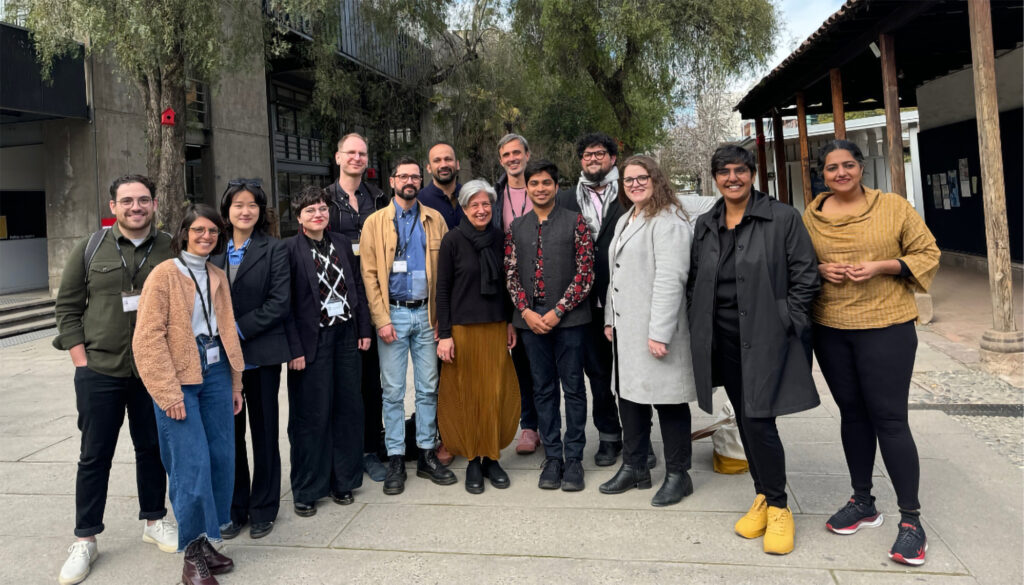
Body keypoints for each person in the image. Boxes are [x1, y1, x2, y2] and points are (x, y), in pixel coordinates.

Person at [803, 139, 940, 566]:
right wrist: (820, 268)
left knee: (890, 419)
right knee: (853, 414)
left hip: (887, 327)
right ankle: (863, 501)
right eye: (831, 168)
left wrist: (882, 266)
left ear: (861, 168)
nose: (840, 173)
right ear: (821, 174)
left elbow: (927, 252)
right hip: (831, 327)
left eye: (847, 165)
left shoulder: (893, 207)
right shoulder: (811, 216)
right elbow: (796, 261)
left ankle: (912, 522)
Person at [688, 145, 821, 555]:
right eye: (724, 172)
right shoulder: (706, 223)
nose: (733, 178)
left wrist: (788, 320)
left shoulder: (781, 217)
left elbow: (806, 276)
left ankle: (779, 505)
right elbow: (695, 277)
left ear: (752, 173)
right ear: (715, 178)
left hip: (766, 336)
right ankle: (762, 495)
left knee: (760, 421)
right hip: (723, 338)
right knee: (745, 420)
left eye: (740, 171)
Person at [53, 174, 177, 585]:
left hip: (152, 370)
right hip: (100, 370)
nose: (135, 207)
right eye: (127, 201)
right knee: (94, 455)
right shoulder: (91, 248)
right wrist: (80, 361)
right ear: (113, 206)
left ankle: (154, 519)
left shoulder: (169, 247)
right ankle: (85, 538)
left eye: (143, 200)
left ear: (154, 205)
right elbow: (68, 306)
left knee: (152, 449)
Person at [133, 204, 245, 585]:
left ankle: (207, 540)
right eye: (198, 230)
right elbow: (147, 339)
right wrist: (167, 392)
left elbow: (227, 329)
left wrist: (234, 384)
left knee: (221, 458)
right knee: (190, 465)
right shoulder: (164, 275)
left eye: (213, 231)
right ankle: (191, 555)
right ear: (184, 233)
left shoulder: (216, 274)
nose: (206, 236)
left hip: (215, 370)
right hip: (179, 374)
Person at [600, 155, 696, 507]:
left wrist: (660, 332)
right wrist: (610, 317)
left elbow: (672, 278)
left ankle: (678, 475)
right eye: (628, 180)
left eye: (641, 178)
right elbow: (617, 273)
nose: (635, 184)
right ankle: (635, 466)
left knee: (668, 401)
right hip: (626, 329)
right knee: (630, 399)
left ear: (656, 179)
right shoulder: (628, 218)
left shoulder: (668, 220)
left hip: (657, 330)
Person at [360, 157, 456, 495]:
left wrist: (443, 318)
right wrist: (381, 319)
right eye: (404, 176)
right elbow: (369, 275)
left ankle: (427, 451)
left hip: (428, 315)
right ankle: (397, 457)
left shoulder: (435, 220)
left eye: (415, 176)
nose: (410, 181)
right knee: (393, 391)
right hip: (394, 316)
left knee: (429, 387)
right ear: (392, 180)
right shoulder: (374, 223)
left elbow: (445, 274)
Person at [505, 159, 595, 491]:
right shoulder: (517, 227)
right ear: (526, 188)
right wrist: (526, 312)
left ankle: (574, 459)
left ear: (557, 187)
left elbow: (585, 273)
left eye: (546, 183)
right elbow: (511, 273)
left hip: (569, 321)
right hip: (531, 324)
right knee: (542, 389)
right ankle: (553, 457)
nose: (540, 188)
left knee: (572, 388)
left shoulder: (575, 222)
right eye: (534, 183)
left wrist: (559, 310)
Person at [283, 186, 372, 517]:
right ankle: (307, 488)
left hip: (346, 336)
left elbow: (357, 286)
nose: (318, 214)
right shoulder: (289, 250)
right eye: (310, 210)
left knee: (347, 409)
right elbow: (286, 305)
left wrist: (363, 329)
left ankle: (342, 480)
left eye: (321, 208)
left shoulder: (341, 243)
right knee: (311, 415)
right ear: (299, 217)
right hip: (311, 342)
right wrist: (294, 348)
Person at [211, 179, 290, 539]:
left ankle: (264, 507)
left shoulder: (274, 249)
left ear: (261, 212)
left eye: (252, 205)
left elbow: (278, 303)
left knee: (263, 433)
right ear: (227, 210)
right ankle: (235, 506)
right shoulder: (212, 249)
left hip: (259, 356)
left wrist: (235, 330)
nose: (245, 211)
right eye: (238, 205)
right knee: (230, 437)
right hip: (219, 362)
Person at [435, 179, 521, 494]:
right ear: (465, 207)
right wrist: (444, 334)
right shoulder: (453, 241)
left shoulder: (501, 239)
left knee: (494, 392)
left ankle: (492, 458)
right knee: (467, 395)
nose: (482, 210)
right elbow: (442, 290)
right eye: (475, 205)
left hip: (495, 326)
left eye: (486, 204)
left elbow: (508, 285)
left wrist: (510, 321)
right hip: (462, 330)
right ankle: (473, 458)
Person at [557, 132, 627, 467]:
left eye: (599, 153)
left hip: (627, 300)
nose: (593, 159)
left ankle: (640, 436)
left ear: (613, 157)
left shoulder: (630, 191)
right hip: (585, 304)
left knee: (631, 374)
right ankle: (610, 437)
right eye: (586, 155)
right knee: (598, 375)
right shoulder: (566, 200)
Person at [327, 132, 391, 482]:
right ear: (338, 157)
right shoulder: (325, 200)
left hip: (375, 298)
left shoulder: (379, 198)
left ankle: (371, 448)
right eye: (350, 152)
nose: (356, 158)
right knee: (342, 383)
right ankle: (343, 449)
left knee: (372, 382)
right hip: (336, 302)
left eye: (362, 153)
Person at [493, 133, 540, 455]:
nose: (512, 158)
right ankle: (529, 426)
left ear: (527, 154)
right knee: (519, 362)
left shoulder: (542, 186)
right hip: (507, 288)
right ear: (501, 160)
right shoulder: (493, 196)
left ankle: (547, 426)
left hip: (543, 287)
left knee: (545, 364)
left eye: (517, 153)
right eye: (506, 154)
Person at [418, 142, 464, 229]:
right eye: (437, 160)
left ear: (457, 165)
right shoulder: (419, 202)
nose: (443, 165)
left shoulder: (470, 197)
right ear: (428, 168)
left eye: (448, 159)